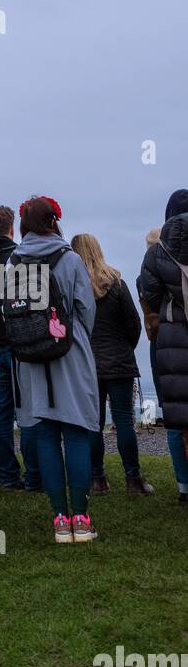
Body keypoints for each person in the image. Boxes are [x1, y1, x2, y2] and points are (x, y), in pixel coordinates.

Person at [13, 196, 99, 544]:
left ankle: (60, 519)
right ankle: (81, 516)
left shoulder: (13, 262)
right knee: (77, 432)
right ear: (54, 222)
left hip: (31, 358)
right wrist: (75, 338)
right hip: (70, 354)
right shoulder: (71, 259)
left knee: (45, 435)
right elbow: (86, 308)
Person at [71, 233, 153, 495]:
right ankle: (133, 479)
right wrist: (125, 347)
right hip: (119, 360)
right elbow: (133, 323)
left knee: (94, 423)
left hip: (88, 364)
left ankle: (97, 478)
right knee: (124, 420)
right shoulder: (117, 284)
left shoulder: (74, 287)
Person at [0, 206, 41, 493]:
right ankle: (35, 474)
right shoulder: (19, 258)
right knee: (27, 410)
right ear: (11, 228)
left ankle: (7, 474)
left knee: (0, 411)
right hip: (19, 344)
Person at [138, 188, 188, 497]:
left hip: (172, 337)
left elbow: (151, 297)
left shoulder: (156, 252)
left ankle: (184, 485)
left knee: (177, 415)